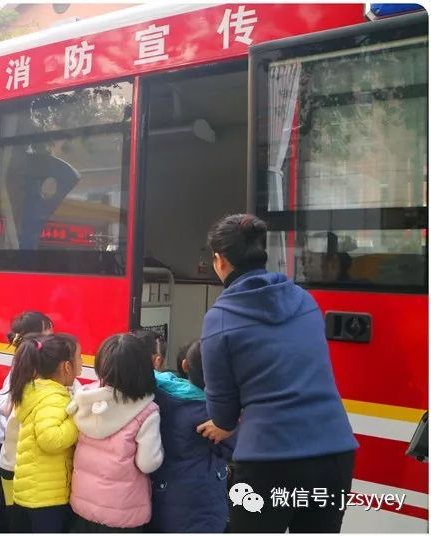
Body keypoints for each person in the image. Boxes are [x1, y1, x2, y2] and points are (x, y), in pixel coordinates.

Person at [197, 214, 358, 533]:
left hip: (268, 461)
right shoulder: (303, 299)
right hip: (335, 453)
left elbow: (223, 411)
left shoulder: (220, 319)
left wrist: (223, 424)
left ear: (221, 261)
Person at [68, 334, 163, 532]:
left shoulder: (86, 398)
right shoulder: (146, 410)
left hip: (83, 504)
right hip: (122, 513)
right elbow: (147, 463)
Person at [149, 340, 234, 533]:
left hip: (165, 494)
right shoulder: (211, 415)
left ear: (185, 365)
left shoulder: (162, 391)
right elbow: (233, 447)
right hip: (201, 504)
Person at [0, 311, 54, 533]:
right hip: (11, 450)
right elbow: (3, 406)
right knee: (8, 506)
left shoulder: (29, 367)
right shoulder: (21, 369)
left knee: (11, 505)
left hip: (16, 450)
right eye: (49, 331)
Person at [9, 334, 81, 533]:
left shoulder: (37, 391)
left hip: (31, 493)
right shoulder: (53, 397)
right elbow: (50, 439)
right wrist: (77, 419)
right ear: (66, 366)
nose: (82, 364)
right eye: (80, 358)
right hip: (46, 498)